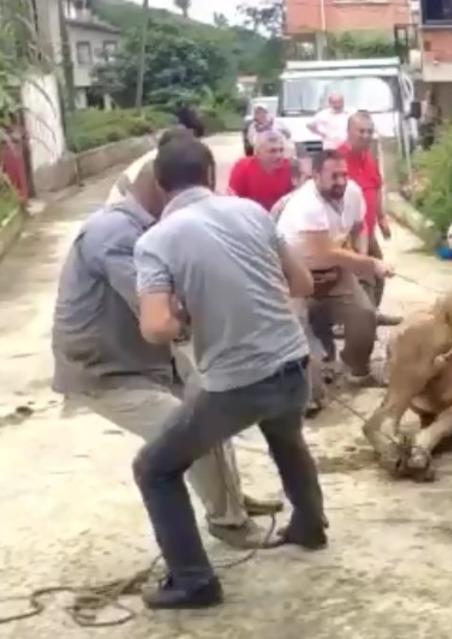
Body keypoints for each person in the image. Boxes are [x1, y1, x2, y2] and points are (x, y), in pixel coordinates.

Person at [131, 136, 327, 609]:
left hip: (237, 382)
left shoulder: (155, 240)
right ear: (211, 177)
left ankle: (194, 581)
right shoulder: (252, 212)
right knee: (286, 436)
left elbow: (156, 327)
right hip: (294, 361)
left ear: (160, 185)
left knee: (154, 468)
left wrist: (184, 316)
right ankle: (309, 526)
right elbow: (301, 283)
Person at [52, 147, 280, 552]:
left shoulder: (154, 227)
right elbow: (157, 311)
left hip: (148, 361)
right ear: (159, 186)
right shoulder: (116, 234)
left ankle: (229, 501)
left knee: (214, 407)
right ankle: (228, 522)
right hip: (106, 371)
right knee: (193, 429)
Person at [276, 149, 392, 387]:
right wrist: (371, 264)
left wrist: (360, 256)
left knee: (364, 314)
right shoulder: (307, 204)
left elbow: (360, 227)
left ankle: (357, 368)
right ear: (316, 175)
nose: (341, 182)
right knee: (303, 340)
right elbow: (324, 252)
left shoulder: (353, 192)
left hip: (336, 270)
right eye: (334, 176)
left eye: (344, 175)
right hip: (295, 276)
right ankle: (317, 375)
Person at [337, 110, 399, 323]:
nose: (365, 136)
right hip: (346, 234)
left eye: (369, 131)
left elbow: (377, 187)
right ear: (349, 131)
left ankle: (369, 316)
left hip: (368, 230)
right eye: (360, 131)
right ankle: (353, 322)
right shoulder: (337, 160)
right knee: (356, 278)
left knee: (378, 274)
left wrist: (382, 218)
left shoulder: (369, 158)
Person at [227, 130, 293, 212]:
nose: (279, 155)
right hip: (250, 216)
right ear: (258, 153)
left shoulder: (290, 167)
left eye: (281, 150)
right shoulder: (243, 167)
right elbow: (233, 201)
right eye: (272, 151)